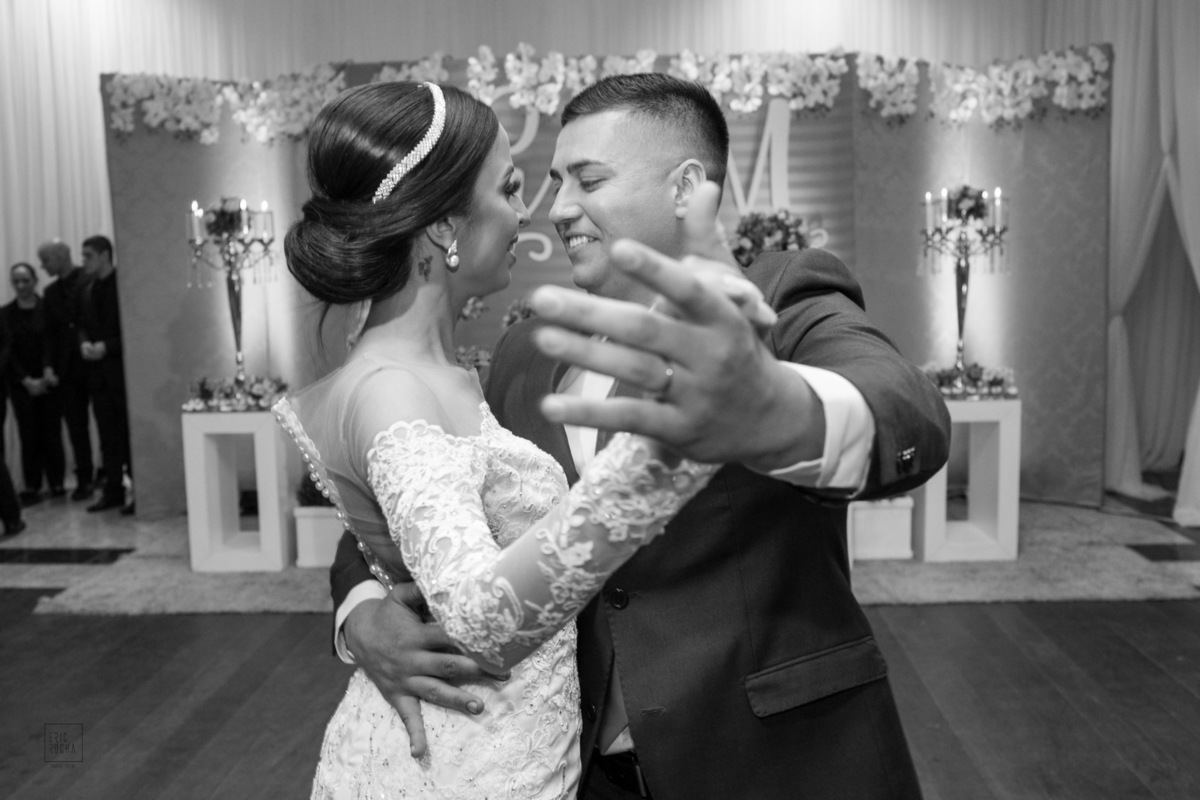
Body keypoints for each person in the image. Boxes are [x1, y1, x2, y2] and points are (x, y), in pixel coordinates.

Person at [332, 73, 952, 800]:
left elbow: (907, 408)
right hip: (579, 771)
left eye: (589, 180)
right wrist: (360, 612)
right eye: (555, 182)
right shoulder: (527, 350)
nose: (558, 208)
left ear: (686, 187)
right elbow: (405, 509)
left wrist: (783, 412)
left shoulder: (776, 298)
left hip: (776, 760)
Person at [275, 80, 723, 799]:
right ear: (444, 224)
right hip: (461, 763)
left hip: (547, 749)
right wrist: (658, 469)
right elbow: (481, 618)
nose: (534, 211)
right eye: (511, 188)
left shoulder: (451, 372)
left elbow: (419, 530)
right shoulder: (394, 388)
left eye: (586, 181)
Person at [1, 262, 66, 503]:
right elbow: (7, 353)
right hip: (20, 384)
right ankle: (32, 485)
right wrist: (25, 380)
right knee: (28, 436)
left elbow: (53, 343)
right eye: (16, 281)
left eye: (25, 281)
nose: (20, 286)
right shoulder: (4, 314)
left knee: (52, 433)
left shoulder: (47, 308)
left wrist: (46, 373)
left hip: (48, 379)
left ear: (34, 281)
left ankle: (57, 483)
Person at [78, 235, 131, 514]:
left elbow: (132, 329)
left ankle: (137, 491)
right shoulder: (87, 289)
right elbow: (82, 324)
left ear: (104, 256)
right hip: (98, 376)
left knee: (127, 435)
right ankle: (113, 490)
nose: (83, 261)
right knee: (107, 437)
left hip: (122, 373)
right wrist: (84, 343)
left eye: (88, 255)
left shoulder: (123, 285)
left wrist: (107, 347)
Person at [38, 240, 95, 501]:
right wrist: (48, 365)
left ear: (61, 256)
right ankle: (84, 478)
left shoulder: (89, 279)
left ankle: (113, 476)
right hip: (67, 369)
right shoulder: (50, 292)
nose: (43, 266)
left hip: (93, 362)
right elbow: (49, 334)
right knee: (76, 428)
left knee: (108, 424)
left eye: (46, 260)